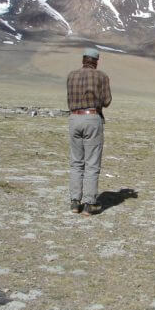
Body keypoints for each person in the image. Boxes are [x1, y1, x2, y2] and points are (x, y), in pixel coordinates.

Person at [66, 47, 112, 215]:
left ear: (83, 59)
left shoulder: (71, 75)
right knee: (92, 163)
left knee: (76, 162)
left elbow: (69, 99)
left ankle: (74, 202)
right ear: (96, 61)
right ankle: (89, 203)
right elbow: (107, 101)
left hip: (74, 118)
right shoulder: (101, 76)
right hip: (92, 117)